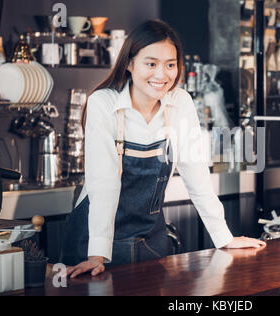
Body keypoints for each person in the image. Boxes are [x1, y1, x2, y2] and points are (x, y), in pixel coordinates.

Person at [63, 20, 265, 278]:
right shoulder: (103, 103)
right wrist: (97, 254)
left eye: (170, 65)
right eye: (151, 63)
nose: (162, 75)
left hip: (151, 242)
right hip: (94, 244)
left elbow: (197, 176)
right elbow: (104, 182)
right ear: (129, 63)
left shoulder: (180, 102)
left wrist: (224, 238)